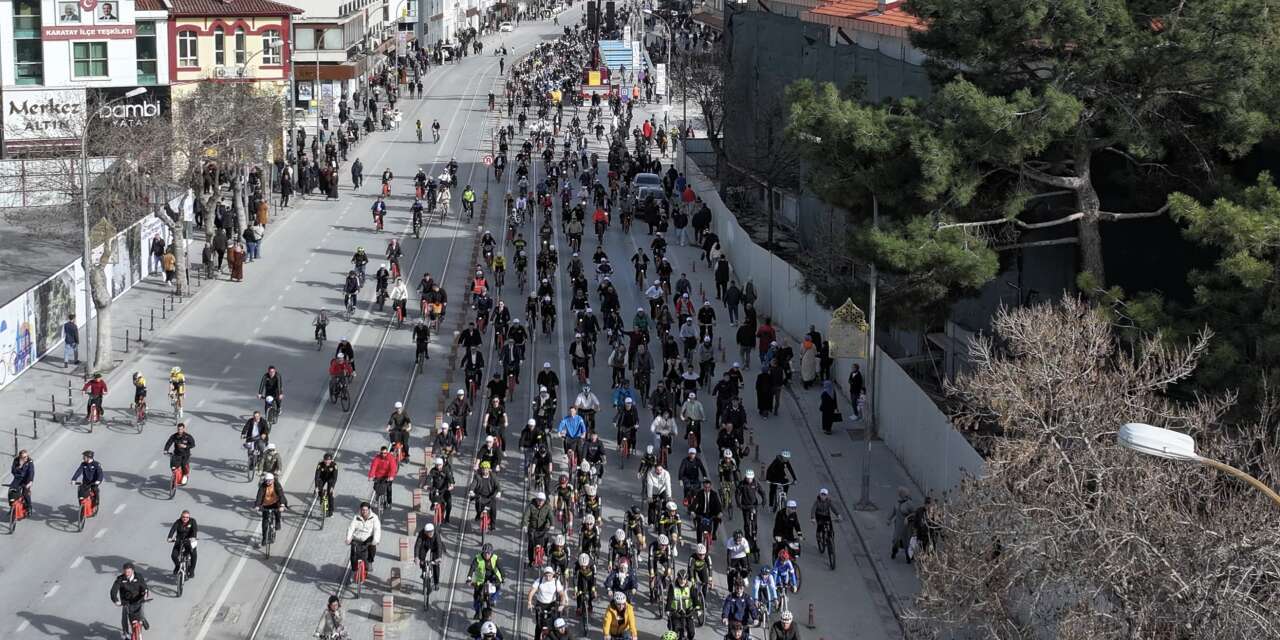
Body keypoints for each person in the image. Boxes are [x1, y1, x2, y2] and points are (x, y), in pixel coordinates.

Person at [110, 562, 150, 636]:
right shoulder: (120, 579)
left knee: (140, 614)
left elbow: (144, 586)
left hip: (139, 599)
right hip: (126, 602)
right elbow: (114, 590)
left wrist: (146, 593)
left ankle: (143, 619)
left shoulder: (139, 577)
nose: (127, 573)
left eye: (129, 571)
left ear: (133, 570)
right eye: (125, 571)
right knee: (124, 617)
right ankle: (126, 633)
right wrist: (115, 600)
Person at [526, 565, 567, 637]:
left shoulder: (556, 582)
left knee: (553, 623)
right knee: (539, 625)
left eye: (550, 575)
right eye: (546, 575)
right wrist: (529, 602)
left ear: (553, 575)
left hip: (551, 605)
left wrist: (562, 604)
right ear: (544, 575)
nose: (548, 577)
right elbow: (531, 592)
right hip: (540, 604)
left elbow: (562, 594)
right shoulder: (540, 580)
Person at [467, 544, 504, 618]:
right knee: (476, 597)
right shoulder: (478, 558)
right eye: (485, 553)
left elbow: (500, 568)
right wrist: (469, 578)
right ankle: (477, 612)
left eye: (488, 553)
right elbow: (472, 568)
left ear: (491, 553)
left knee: (498, 588)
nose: (486, 555)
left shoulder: (495, 558)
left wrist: (503, 577)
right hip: (481, 579)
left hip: (493, 577)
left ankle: (493, 599)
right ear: (482, 552)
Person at [346, 501, 382, 571]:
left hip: (368, 538)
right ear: (360, 510)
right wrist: (348, 538)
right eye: (363, 510)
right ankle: (353, 569)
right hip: (357, 538)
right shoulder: (356, 517)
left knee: (372, 547)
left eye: (366, 510)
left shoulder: (374, 517)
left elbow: (377, 529)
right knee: (353, 553)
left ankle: (370, 562)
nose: (364, 512)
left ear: (369, 510)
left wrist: (375, 540)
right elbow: (351, 528)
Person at [253, 472, 288, 540]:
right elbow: (259, 496)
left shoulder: (277, 484)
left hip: (275, 502)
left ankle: (278, 522)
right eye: (266, 480)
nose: (268, 482)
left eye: (269, 480)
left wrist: (282, 505)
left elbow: (281, 494)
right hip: (266, 504)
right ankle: (264, 537)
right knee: (265, 523)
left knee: (277, 512)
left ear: (273, 480)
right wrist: (257, 505)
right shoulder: (263, 486)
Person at [167, 510, 198, 577]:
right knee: (174, 555)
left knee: (193, 554)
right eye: (183, 517)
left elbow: (195, 530)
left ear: (189, 517)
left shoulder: (192, 521)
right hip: (179, 540)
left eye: (187, 517)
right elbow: (173, 529)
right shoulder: (178, 522)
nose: (185, 518)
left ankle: (192, 570)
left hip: (190, 540)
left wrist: (193, 537)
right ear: (181, 517)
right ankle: (177, 566)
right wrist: (169, 537)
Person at [888, 486, 914, 562]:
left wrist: (908, 518)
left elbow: (914, 513)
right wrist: (889, 519)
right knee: (895, 540)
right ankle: (894, 552)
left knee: (906, 542)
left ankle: (908, 556)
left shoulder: (909, 504)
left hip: (906, 527)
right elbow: (893, 512)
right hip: (898, 525)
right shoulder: (897, 502)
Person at [415, 522, 445, 589]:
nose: (431, 534)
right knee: (421, 556)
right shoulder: (421, 533)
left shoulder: (436, 534)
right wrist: (416, 557)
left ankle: (436, 582)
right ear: (425, 532)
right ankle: (423, 570)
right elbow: (417, 545)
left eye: (432, 532)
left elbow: (439, 545)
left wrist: (439, 557)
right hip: (425, 545)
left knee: (436, 565)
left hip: (435, 547)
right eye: (429, 533)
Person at [9, 449, 34, 516]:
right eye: (23, 457)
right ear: (20, 457)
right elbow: (13, 471)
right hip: (18, 478)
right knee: (11, 491)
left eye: (26, 456)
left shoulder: (30, 461)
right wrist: (20, 466)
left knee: (25, 493)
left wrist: (30, 482)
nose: (26, 458)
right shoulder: (16, 460)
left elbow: (31, 472)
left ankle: (29, 507)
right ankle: (11, 506)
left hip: (27, 480)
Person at [315, 452, 338, 517]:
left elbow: (335, 477)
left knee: (330, 494)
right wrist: (316, 487)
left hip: (330, 479)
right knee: (319, 491)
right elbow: (316, 476)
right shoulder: (320, 465)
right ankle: (322, 503)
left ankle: (331, 511)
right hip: (322, 478)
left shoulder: (334, 465)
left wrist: (332, 487)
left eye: (329, 460)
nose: (327, 462)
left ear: (331, 460)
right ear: (323, 460)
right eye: (326, 460)